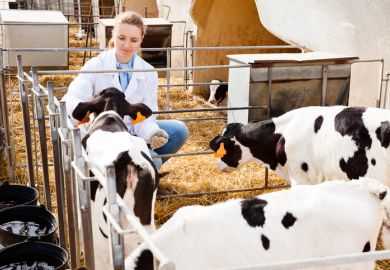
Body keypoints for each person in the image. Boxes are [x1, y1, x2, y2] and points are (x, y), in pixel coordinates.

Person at [62, 11, 189, 171]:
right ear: (113, 34)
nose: (127, 45)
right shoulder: (96, 65)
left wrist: (152, 133)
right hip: (105, 132)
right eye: (121, 38)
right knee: (153, 164)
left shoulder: (148, 72)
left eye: (134, 40)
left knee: (179, 130)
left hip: (133, 131)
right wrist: (87, 116)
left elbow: (147, 114)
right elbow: (71, 99)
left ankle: (137, 172)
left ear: (141, 39)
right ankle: (139, 171)